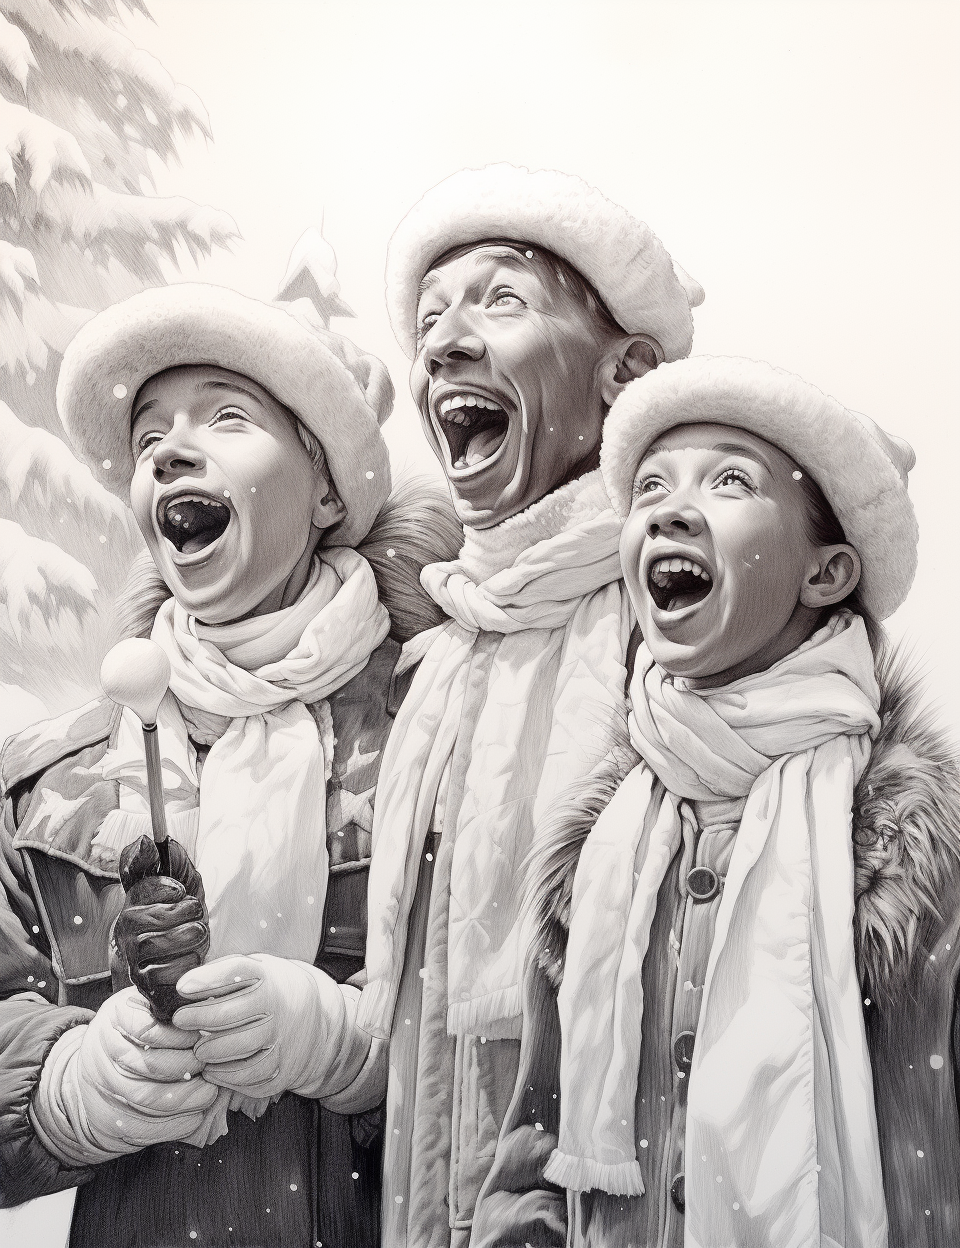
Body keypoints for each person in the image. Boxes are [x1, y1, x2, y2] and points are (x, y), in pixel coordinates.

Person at [0, 282, 460, 1247]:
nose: (169, 448)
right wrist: (59, 1093)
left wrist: (357, 1051)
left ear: (328, 487)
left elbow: (551, 1059)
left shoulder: (450, 740)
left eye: (227, 415)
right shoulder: (47, 787)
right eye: (150, 436)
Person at [300, 163, 704, 1246]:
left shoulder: (676, 627)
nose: (444, 344)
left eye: (500, 302)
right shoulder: (437, 665)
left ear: (627, 374)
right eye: (431, 320)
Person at [471, 356, 960, 1248]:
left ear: (827, 574)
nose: (669, 506)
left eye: (731, 480)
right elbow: (537, 1136)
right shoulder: (600, 840)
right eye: (651, 485)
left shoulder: (907, 850)